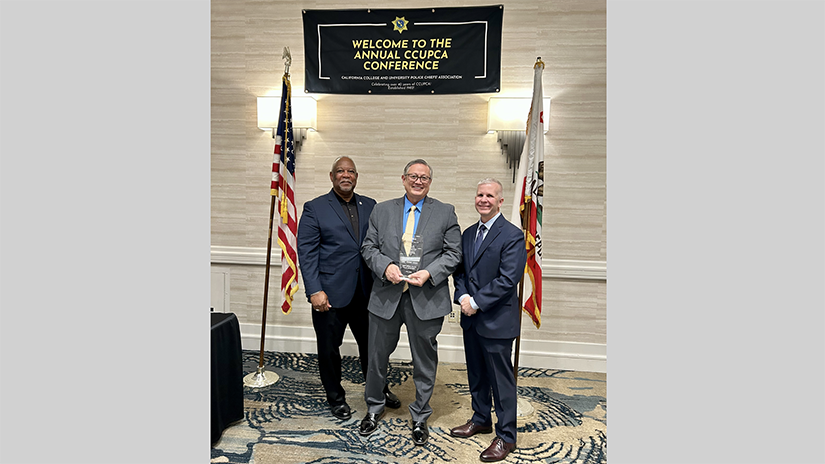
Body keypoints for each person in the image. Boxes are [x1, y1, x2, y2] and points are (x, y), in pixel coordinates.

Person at [358, 159, 462, 445]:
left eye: (424, 178)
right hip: (386, 295)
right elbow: (368, 247)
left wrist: (430, 273)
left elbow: (454, 253)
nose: (418, 181)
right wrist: (385, 267)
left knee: (424, 361)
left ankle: (420, 416)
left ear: (430, 182)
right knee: (376, 356)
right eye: (413, 176)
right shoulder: (382, 210)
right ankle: (374, 407)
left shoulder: (445, 212)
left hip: (426, 297)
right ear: (403, 179)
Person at [296, 156, 400, 421]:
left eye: (350, 171)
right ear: (332, 176)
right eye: (340, 171)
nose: (346, 175)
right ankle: (336, 398)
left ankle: (379, 390)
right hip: (329, 294)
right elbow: (306, 253)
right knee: (329, 349)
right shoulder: (315, 208)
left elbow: (379, 244)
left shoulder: (370, 205)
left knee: (373, 348)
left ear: (356, 177)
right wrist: (314, 291)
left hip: (366, 292)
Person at [449, 178, 527, 462]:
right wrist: (462, 297)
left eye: (490, 196)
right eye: (480, 195)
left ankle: (506, 436)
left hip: (497, 321)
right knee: (477, 374)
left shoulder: (512, 235)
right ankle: (481, 419)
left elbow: (508, 279)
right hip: (471, 319)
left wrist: (476, 302)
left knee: (501, 382)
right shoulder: (468, 233)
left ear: (500, 201)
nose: (484, 199)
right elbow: (460, 272)